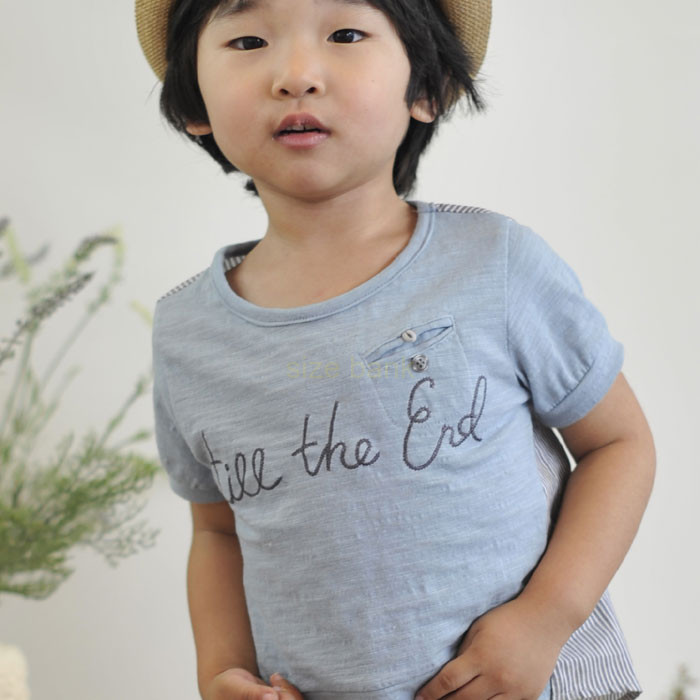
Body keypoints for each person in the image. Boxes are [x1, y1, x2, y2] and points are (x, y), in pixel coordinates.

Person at [135, 0, 656, 699]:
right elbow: (217, 531)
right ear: (192, 104)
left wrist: (546, 618)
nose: (296, 74)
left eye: (346, 33)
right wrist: (221, 672)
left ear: (427, 88)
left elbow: (618, 445)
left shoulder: (493, 265)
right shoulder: (188, 331)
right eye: (250, 40)